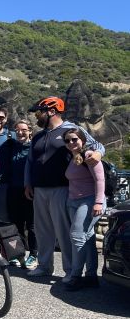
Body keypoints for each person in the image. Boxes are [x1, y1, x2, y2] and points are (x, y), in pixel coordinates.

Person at [24, 96, 105, 283]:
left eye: (39, 111)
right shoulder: (38, 135)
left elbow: (96, 146)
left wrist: (98, 154)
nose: (36, 116)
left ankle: (70, 270)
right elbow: (30, 161)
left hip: (62, 189)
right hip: (39, 190)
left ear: (51, 111)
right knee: (43, 231)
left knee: (63, 232)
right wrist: (28, 183)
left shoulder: (71, 130)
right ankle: (44, 266)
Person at [62, 127, 104, 290]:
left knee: (77, 236)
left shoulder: (89, 155)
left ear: (82, 140)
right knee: (88, 237)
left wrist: (99, 202)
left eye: (74, 139)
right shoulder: (72, 157)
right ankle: (91, 276)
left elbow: (100, 180)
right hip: (74, 202)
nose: (71, 142)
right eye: (67, 140)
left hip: (89, 201)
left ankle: (76, 276)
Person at [0, 120, 38, 269]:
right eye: (17, 130)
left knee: (32, 225)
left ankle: (34, 255)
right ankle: (19, 254)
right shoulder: (10, 146)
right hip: (13, 190)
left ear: (30, 131)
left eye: (24, 130)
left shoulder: (34, 147)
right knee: (16, 225)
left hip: (30, 191)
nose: (20, 133)